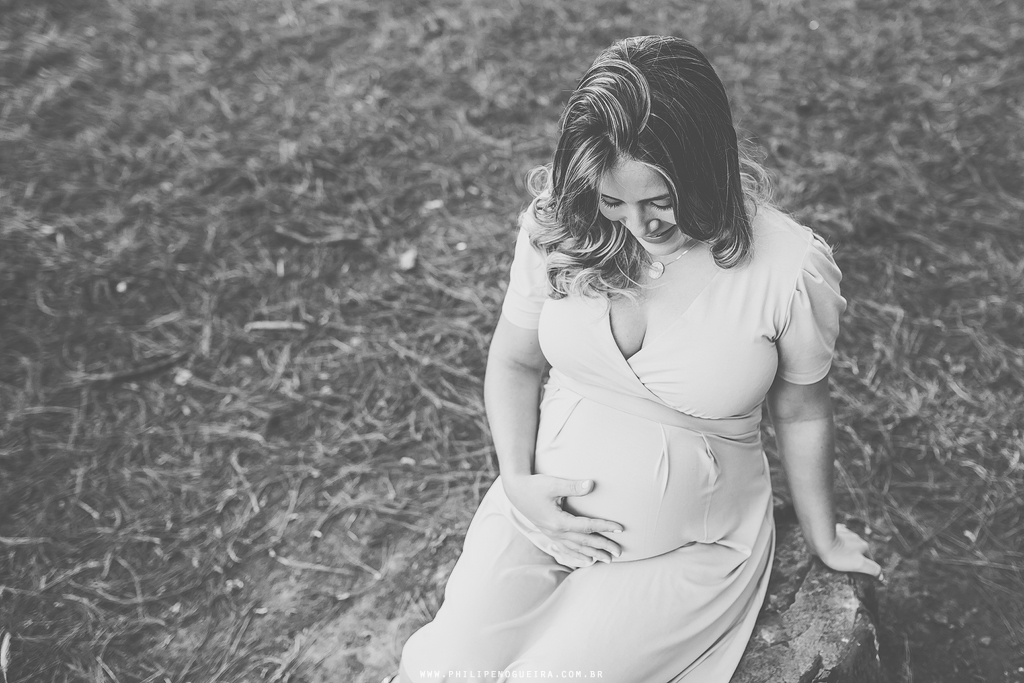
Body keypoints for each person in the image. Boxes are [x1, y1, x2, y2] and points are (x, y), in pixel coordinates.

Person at [387, 35, 882, 683]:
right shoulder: (560, 227)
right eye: (612, 202)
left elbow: (802, 406)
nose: (636, 227)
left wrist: (823, 534)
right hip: (538, 516)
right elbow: (513, 361)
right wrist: (515, 479)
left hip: (686, 549)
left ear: (706, 166)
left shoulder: (788, 266)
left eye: (658, 202)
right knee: (438, 665)